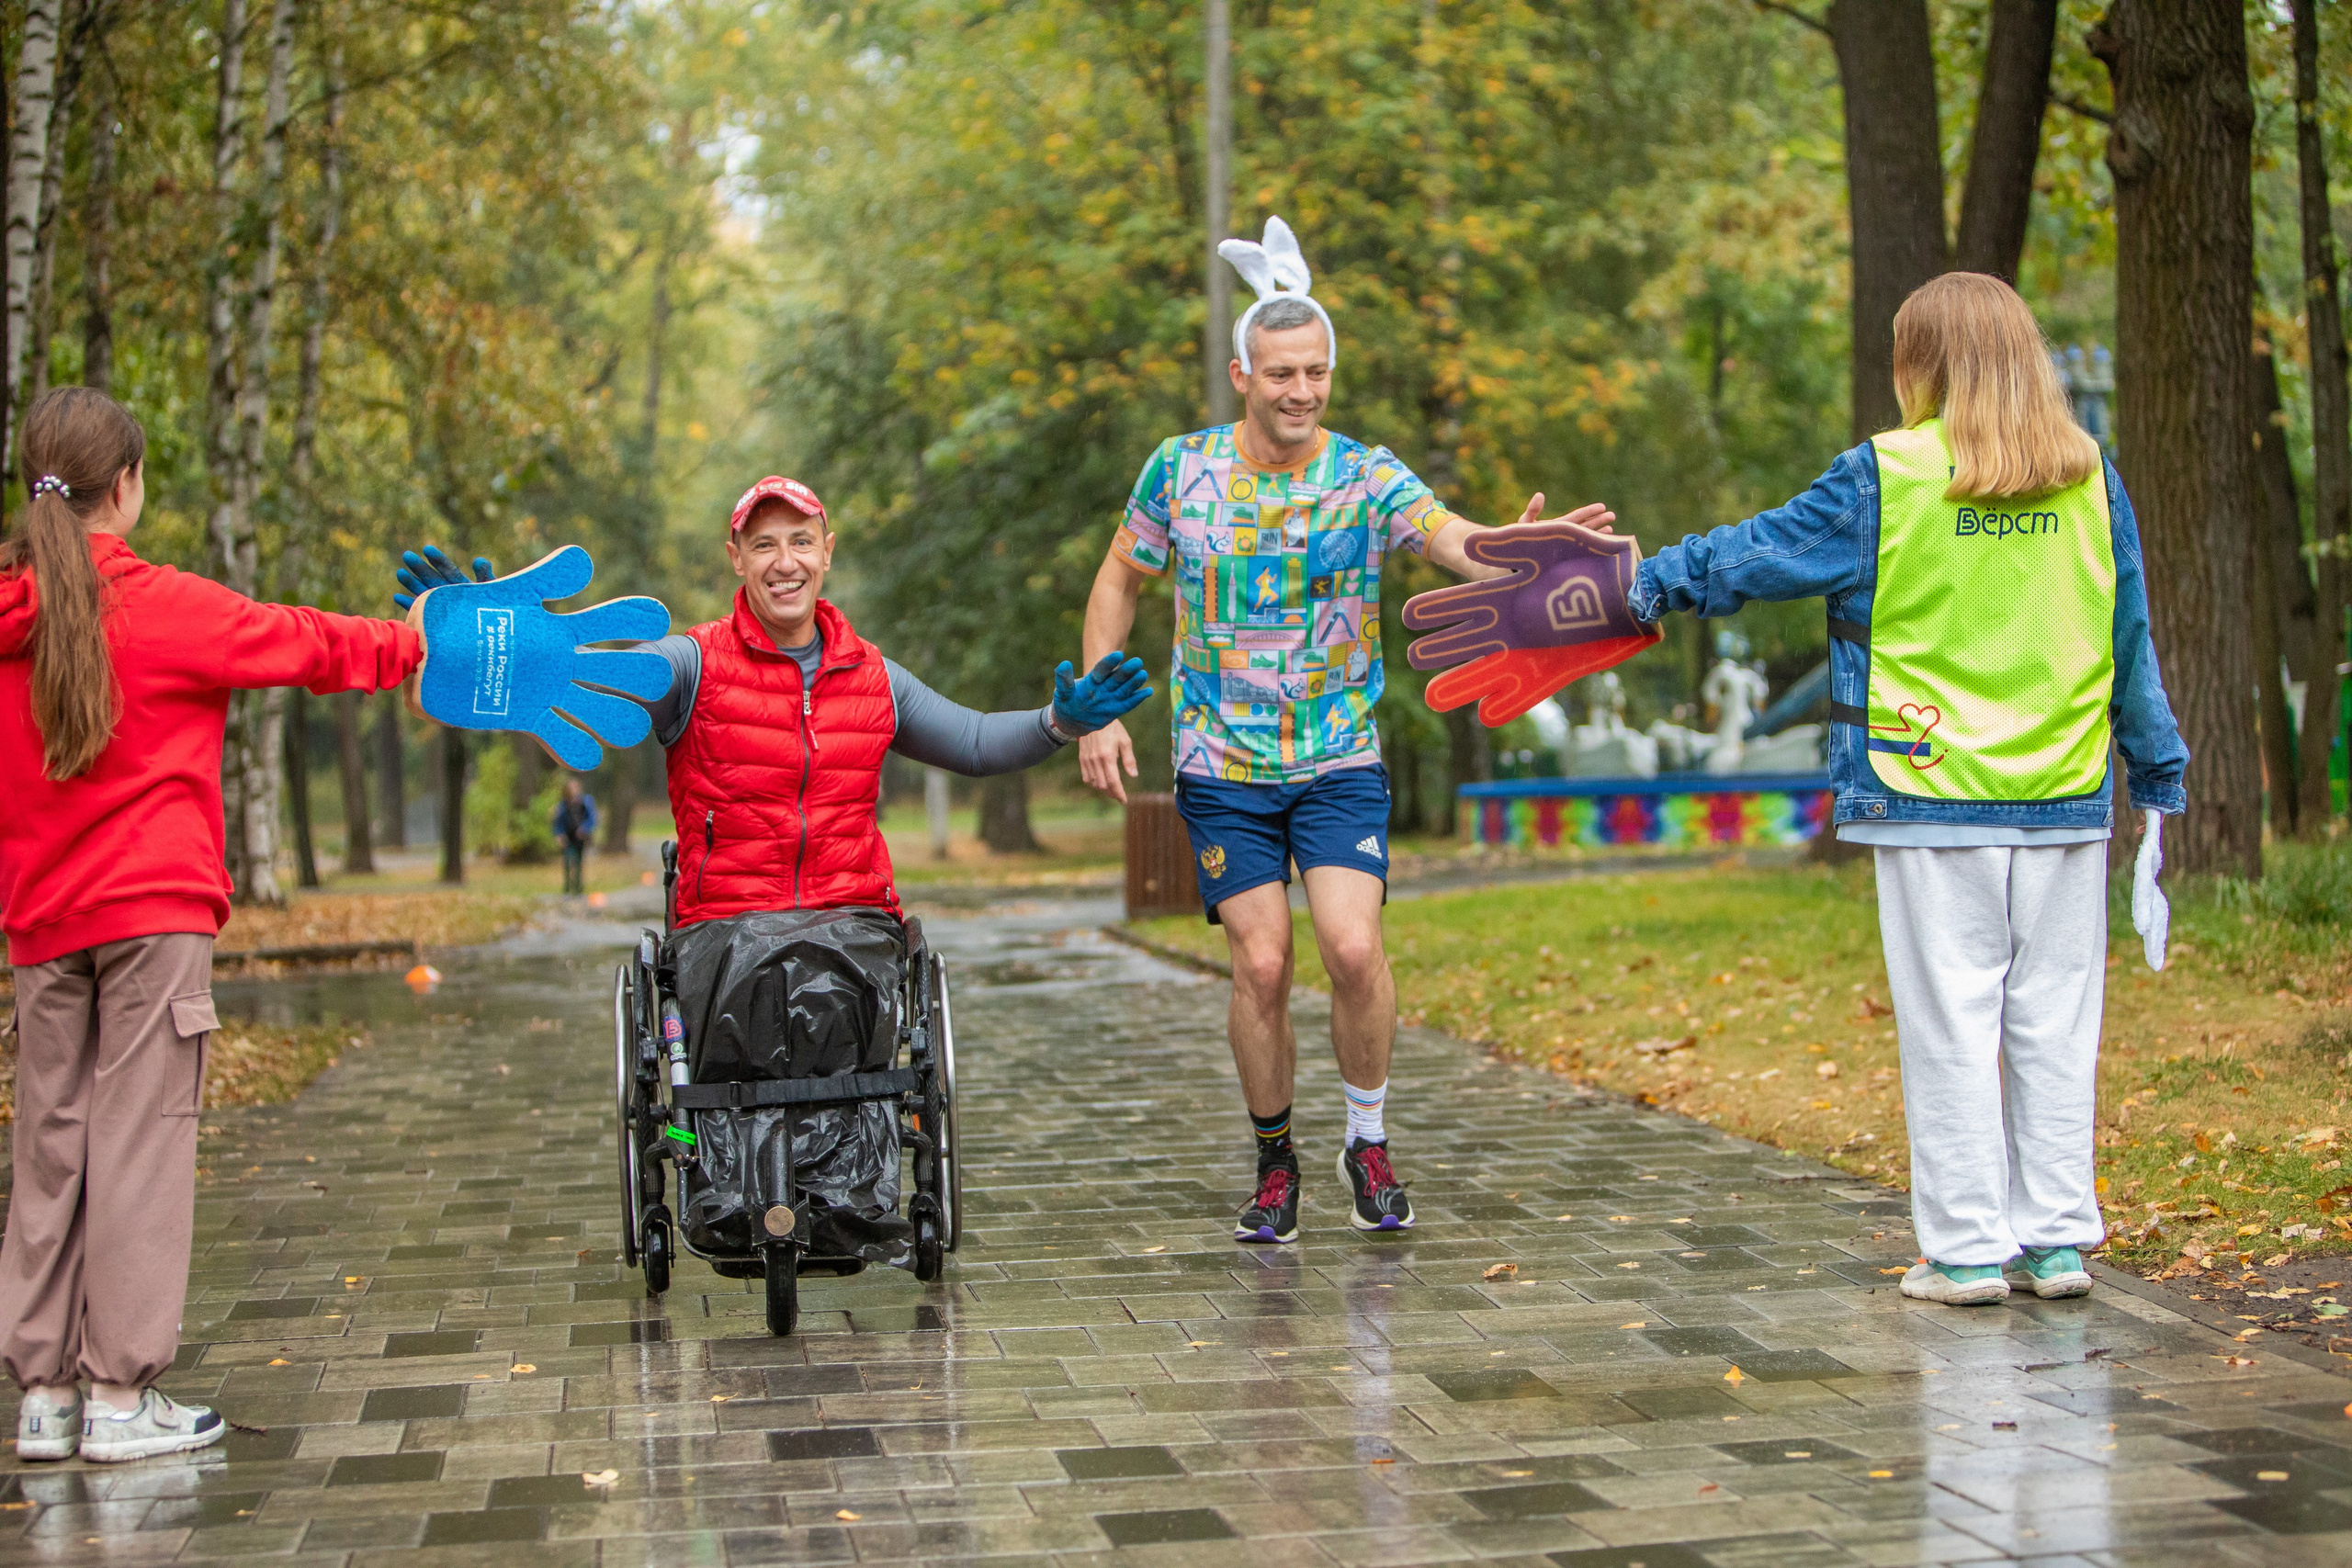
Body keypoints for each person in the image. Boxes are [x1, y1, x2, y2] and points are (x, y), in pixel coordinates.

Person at [1617, 273, 2186, 1304]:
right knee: (2054, 1020)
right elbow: (2128, 631)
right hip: (2063, 792)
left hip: (1928, 792)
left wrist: (1641, 584)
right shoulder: (2093, 477)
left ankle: (1967, 1252)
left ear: (1920, 362)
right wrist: (2156, 766)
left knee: (1951, 1022)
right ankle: (2055, 1243)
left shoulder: (1887, 474)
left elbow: (1759, 553)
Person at [1077, 217, 1613, 1243]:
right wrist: (1103, 703)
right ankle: (1275, 1161)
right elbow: (1120, 575)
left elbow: (1448, 533)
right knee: (1265, 965)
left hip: (1335, 760)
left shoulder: (1364, 474)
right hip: (1222, 762)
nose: (1301, 392)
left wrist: (1520, 549)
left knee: (1353, 951)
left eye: (1316, 372)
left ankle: (1365, 1138)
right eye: (1281, 373)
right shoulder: (1182, 470)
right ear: (1242, 373)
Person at [0, 388, 426, 1462]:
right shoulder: (168, 605)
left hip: (40, 920)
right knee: (138, 1141)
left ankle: (44, 1399)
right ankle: (117, 1399)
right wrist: (410, 641)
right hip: (151, 915)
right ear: (128, 485)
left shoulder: (10, 616)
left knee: (49, 1144)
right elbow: (308, 644)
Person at [397, 473, 1150, 926]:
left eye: (799, 541)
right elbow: (603, 675)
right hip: (723, 942)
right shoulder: (692, 664)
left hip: (854, 935)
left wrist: (1061, 720)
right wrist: (482, 647)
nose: (784, 562)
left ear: (827, 550)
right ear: (737, 559)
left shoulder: (875, 677)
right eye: (763, 544)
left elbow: (979, 742)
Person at [551, 776, 599, 895]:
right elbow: (558, 821)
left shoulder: (585, 802)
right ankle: (567, 889)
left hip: (580, 837)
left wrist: (585, 829)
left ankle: (578, 890)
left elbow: (592, 818)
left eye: (575, 787)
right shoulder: (563, 805)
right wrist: (559, 834)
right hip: (568, 837)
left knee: (578, 862)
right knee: (567, 861)